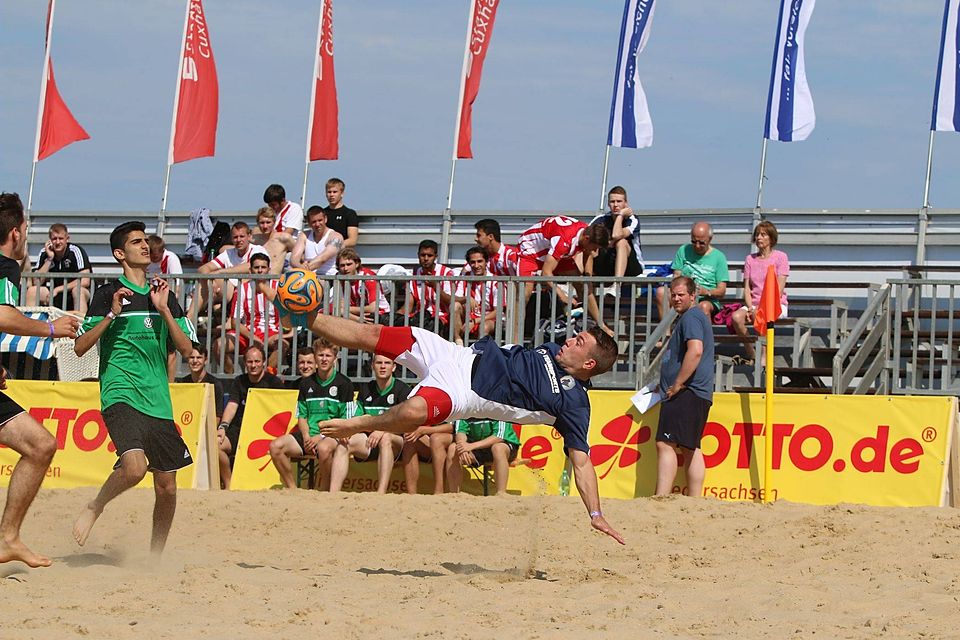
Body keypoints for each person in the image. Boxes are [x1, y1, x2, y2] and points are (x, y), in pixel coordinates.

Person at [308, 310, 624, 544]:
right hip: (457, 353)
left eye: (579, 341)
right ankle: (306, 316)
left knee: (415, 410)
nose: (570, 339)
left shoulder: (575, 405)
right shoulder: (557, 350)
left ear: (589, 364)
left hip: (464, 391)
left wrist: (595, 514)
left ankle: (361, 425)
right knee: (374, 335)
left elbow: (582, 462)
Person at [72, 221, 197, 555]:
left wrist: (164, 309)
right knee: (135, 468)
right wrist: (110, 315)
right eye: (136, 242)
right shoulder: (106, 293)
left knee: (168, 487)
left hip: (158, 399)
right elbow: (80, 347)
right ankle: (95, 506)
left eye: (146, 241)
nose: (145, 246)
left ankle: (155, 556)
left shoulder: (163, 295)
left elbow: (187, 350)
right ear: (119, 253)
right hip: (120, 393)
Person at [0, 192, 78, 567]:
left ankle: (8, 538)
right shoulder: (5, 265)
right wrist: (51, 328)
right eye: (26, 227)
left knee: (40, 446)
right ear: (15, 233)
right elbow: (1, 315)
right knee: (41, 446)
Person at [655, 276, 716, 498]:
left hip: (687, 391)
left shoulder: (691, 316)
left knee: (666, 443)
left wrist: (677, 383)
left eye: (681, 294)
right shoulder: (691, 317)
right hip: (692, 391)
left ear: (693, 295)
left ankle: (661, 497)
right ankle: (694, 499)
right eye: (674, 294)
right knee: (690, 446)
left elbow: (695, 350)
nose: (676, 298)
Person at [268, 340, 353, 490]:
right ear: (315, 358)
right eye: (320, 355)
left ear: (335, 358)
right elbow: (302, 415)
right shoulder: (305, 383)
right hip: (309, 435)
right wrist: (307, 437)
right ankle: (293, 488)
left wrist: (320, 436)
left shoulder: (344, 383)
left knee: (324, 448)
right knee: (275, 447)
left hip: (331, 435)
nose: (324, 359)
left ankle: (325, 490)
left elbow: (346, 420)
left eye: (328, 355)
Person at [516, 215, 610, 337]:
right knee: (525, 293)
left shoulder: (587, 232)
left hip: (553, 251)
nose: (595, 252)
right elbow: (546, 273)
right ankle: (515, 339)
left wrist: (588, 277)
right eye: (595, 247)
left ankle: (601, 324)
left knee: (583, 285)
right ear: (586, 239)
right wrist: (562, 296)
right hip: (531, 250)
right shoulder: (564, 241)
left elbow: (588, 254)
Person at [329, 354, 409, 494]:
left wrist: (382, 430)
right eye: (379, 363)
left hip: (397, 442)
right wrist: (348, 431)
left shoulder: (402, 390)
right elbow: (357, 419)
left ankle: (381, 493)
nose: (383, 366)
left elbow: (406, 423)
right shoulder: (366, 389)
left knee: (385, 439)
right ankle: (333, 493)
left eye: (387, 363)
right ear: (372, 366)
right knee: (344, 443)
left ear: (394, 367)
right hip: (371, 441)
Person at [216, 346, 285, 489]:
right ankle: (229, 484)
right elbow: (232, 405)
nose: (253, 365)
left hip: (264, 432)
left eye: (257, 361)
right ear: (245, 363)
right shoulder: (239, 381)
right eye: (250, 362)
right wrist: (223, 426)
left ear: (264, 362)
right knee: (217, 446)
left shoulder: (275, 383)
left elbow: (280, 411)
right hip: (240, 429)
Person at [216, 254, 288, 374]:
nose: (260, 271)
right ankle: (233, 378)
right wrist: (253, 337)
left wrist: (282, 333)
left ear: (269, 270)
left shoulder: (279, 288)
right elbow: (235, 322)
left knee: (283, 345)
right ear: (250, 270)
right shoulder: (242, 289)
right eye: (256, 267)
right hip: (248, 331)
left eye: (263, 267)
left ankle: (265, 377)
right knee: (219, 345)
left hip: (272, 332)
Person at [730, 221, 789, 365]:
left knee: (760, 314)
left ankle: (764, 355)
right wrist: (750, 307)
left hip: (775, 303)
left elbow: (779, 288)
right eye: (757, 234)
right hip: (754, 304)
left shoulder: (781, 257)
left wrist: (759, 308)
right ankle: (752, 353)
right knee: (736, 317)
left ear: (771, 238)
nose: (759, 238)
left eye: (763, 234)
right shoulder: (750, 259)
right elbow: (747, 288)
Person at [193, 221, 268, 320]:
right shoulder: (228, 253)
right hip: (228, 292)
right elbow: (203, 268)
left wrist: (220, 272)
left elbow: (251, 265)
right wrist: (210, 279)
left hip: (251, 293)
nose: (238, 240)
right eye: (235, 237)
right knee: (203, 284)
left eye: (242, 236)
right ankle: (190, 318)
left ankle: (198, 317)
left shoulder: (258, 250)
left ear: (249, 236)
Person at [656, 221, 729, 320]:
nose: (697, 246)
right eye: (694, 242)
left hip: (706, 299)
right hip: (684, 294)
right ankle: (666, 334)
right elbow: (676, 276)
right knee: (661, 292)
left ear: (710, 239)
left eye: (701, 243)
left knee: (703, 307)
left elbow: (722, 290)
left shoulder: (719, 257)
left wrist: (706, 291)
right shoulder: (683, 250)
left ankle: (704, 335)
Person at [24, 222, 92, 315]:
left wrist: (58, 289)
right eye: (54, 239)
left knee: (78, 290)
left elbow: (85, 280)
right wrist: (49, 259)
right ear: (50, 240)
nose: (57, 242)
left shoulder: (75, 251)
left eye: (61, 238)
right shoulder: (44, 252)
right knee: (33, 291)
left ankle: (81, 325)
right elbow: (36, 282)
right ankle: (30, 324)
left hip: (71, 294)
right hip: (53, 294)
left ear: (67, 239)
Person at [446, 418, 520, 496]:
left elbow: (499, 436)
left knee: (498, 448)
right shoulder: (466, 408)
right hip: (478, 446)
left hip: (504, 444)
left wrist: (471, 446)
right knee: (453, 449)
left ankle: (501, 493)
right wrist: (462, 447)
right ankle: (454, 494)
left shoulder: (498, 409)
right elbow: (460, 431)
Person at [395, 239, 456, 335]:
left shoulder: (446, 272)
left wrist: (435, 287)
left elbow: (450, 300)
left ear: (436, 256)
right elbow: (408, 306)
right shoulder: (415, 274)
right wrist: (392, 318)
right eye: (423, 255)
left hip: (441, 317)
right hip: (419, 318)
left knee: (428, 326)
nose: (426, 258)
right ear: (418, 255)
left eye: (430, 255)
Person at [454, 246, 501, 342]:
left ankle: (480, 353)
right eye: (472, 262)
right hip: (467, 317)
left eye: (480, 261)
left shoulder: (496, 281)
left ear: (486, 261)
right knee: (455, 306)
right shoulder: (464, 278)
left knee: (484, 326)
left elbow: (498, 311)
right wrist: (466, 298)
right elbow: (455, 298)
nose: (476, 265)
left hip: (487, 319)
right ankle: (458, 343)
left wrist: (476, 321)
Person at [334, 248, 390, 324]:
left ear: (356, 264)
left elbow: (373, 308)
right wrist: (356, 318)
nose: (345, 268)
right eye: (342, 265)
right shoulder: (339, 277)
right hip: (358, 315)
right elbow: (338, 307)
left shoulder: (368, 277)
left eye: (349, 264)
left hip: (380, 315)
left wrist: (347, 309)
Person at [175, 344, 226, 423]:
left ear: (205, 360)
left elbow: (217, 416)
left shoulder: (215, 384)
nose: (195, 361)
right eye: (192, 357)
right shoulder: (182, 383)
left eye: (199, 357)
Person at [291, 206, 343, 277]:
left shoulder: (336, 237)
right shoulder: (304, 235)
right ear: (309, 223)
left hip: (329, 278)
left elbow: (323, 259)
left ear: (325, 219)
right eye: (314, 222)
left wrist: (303, 270)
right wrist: (301, 267)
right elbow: (294, 259)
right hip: (307, 276)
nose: (317, 224)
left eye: (320, 220)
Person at [322, 177, 359, 248]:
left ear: (342, 193)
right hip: (322, 251)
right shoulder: (322, 213)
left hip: (341, 253)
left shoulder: (349, 214)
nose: (331, 195)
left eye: (335, 192)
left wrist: (334, 246)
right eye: (329, 192)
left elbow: (352, 240)